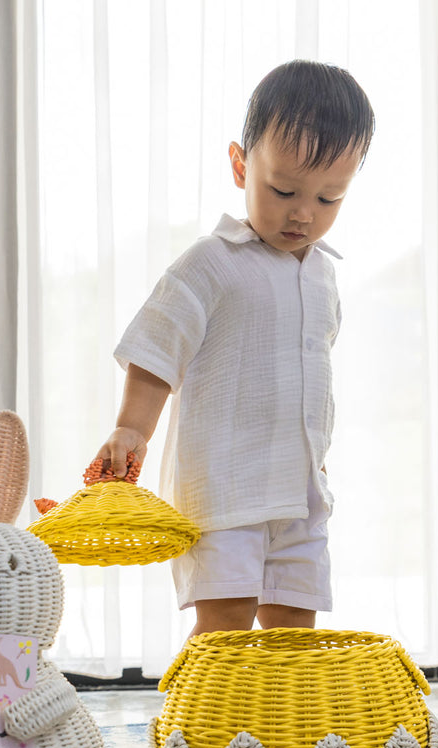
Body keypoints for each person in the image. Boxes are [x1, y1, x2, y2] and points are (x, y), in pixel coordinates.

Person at [94, 59, 375, 636]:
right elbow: (157, 347)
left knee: (295, 633)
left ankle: (274, 725)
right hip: (224, 490)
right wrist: (132, 430)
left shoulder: (323, 276)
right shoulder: (212, 263)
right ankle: (195, 723)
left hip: (299, 496)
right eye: (283, 190)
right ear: (239, 164)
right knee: (223, 630)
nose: (303, 213)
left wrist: (315, 452)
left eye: (330, 198)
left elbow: (312, 377)